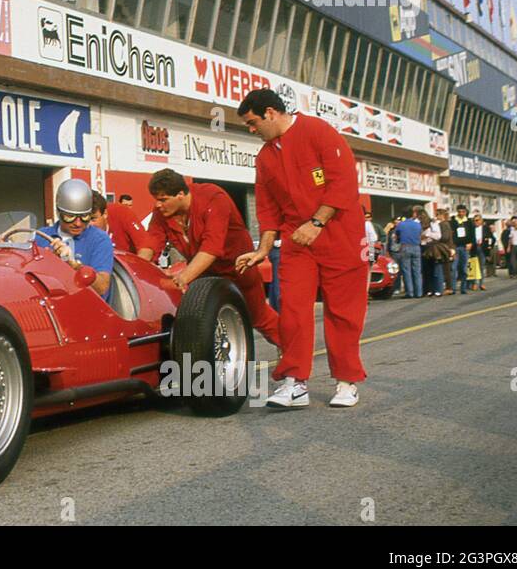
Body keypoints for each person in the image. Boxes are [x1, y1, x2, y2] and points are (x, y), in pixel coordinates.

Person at [234, 89, 367, 409]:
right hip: (297, 242)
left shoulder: (318, 131)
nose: (251, 130)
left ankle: (347, 382)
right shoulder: (265, 157)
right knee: (292, 308)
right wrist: (263, 250)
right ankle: (295, 383)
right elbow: (267, 210)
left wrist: (317, 223)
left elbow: (343, 182)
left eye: (252, 123)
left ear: (270, 112)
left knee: (342, 311)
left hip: (340, 236)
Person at [136, 169, 280, 347]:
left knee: (259, 318)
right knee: (199, 322)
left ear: (180, 194)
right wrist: (137, 273)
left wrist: (183, 278)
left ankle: (291, 351)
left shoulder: (214, 198)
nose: (158, 205)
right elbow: (151, 242)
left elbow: (211, 247)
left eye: (163, 199)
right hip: (204, 271)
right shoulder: (163, 212)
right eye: (156, 199)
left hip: (238, 268)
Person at [39, 179, 113, 301]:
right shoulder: (41, 236)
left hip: (87, 307)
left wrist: (73, 264)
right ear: (58, 212)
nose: (78, 224)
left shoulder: (99, 239)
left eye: (84, 217)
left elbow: (102, 287)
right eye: (70, 217)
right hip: (49, 307)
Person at [396, 209, 423, 297]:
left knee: (406, 270)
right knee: (417, 270)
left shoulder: (401, 224)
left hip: (405, 246)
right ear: (412, 215)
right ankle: (418, 292)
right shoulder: (417, 224)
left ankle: (410, 292)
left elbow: (397, 236)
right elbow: (420, 235)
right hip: (416, 246)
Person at [450, 205, 471, 294]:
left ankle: (463, 288)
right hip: (455, 247)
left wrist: (470, 243)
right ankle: (453, 288)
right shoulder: (453, 221)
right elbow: (451, 234)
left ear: (465, 212)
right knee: (454, 268)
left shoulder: (469, 222)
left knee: (463, 268)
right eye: (459, 212)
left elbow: (472, 234)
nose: (461, 213)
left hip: (464, 247)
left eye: (463, 212)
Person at [469, 212, 490, 291]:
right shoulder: (472, 229)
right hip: (474, 248)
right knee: (474, 266)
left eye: (477, 220)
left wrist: (488, 245)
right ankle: (474, 283)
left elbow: (491, 238)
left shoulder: (486, 228)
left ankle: (482, 283)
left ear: (481, 220)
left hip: (482, 248)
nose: (476, 222)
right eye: (474, 220)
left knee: (481, 266)